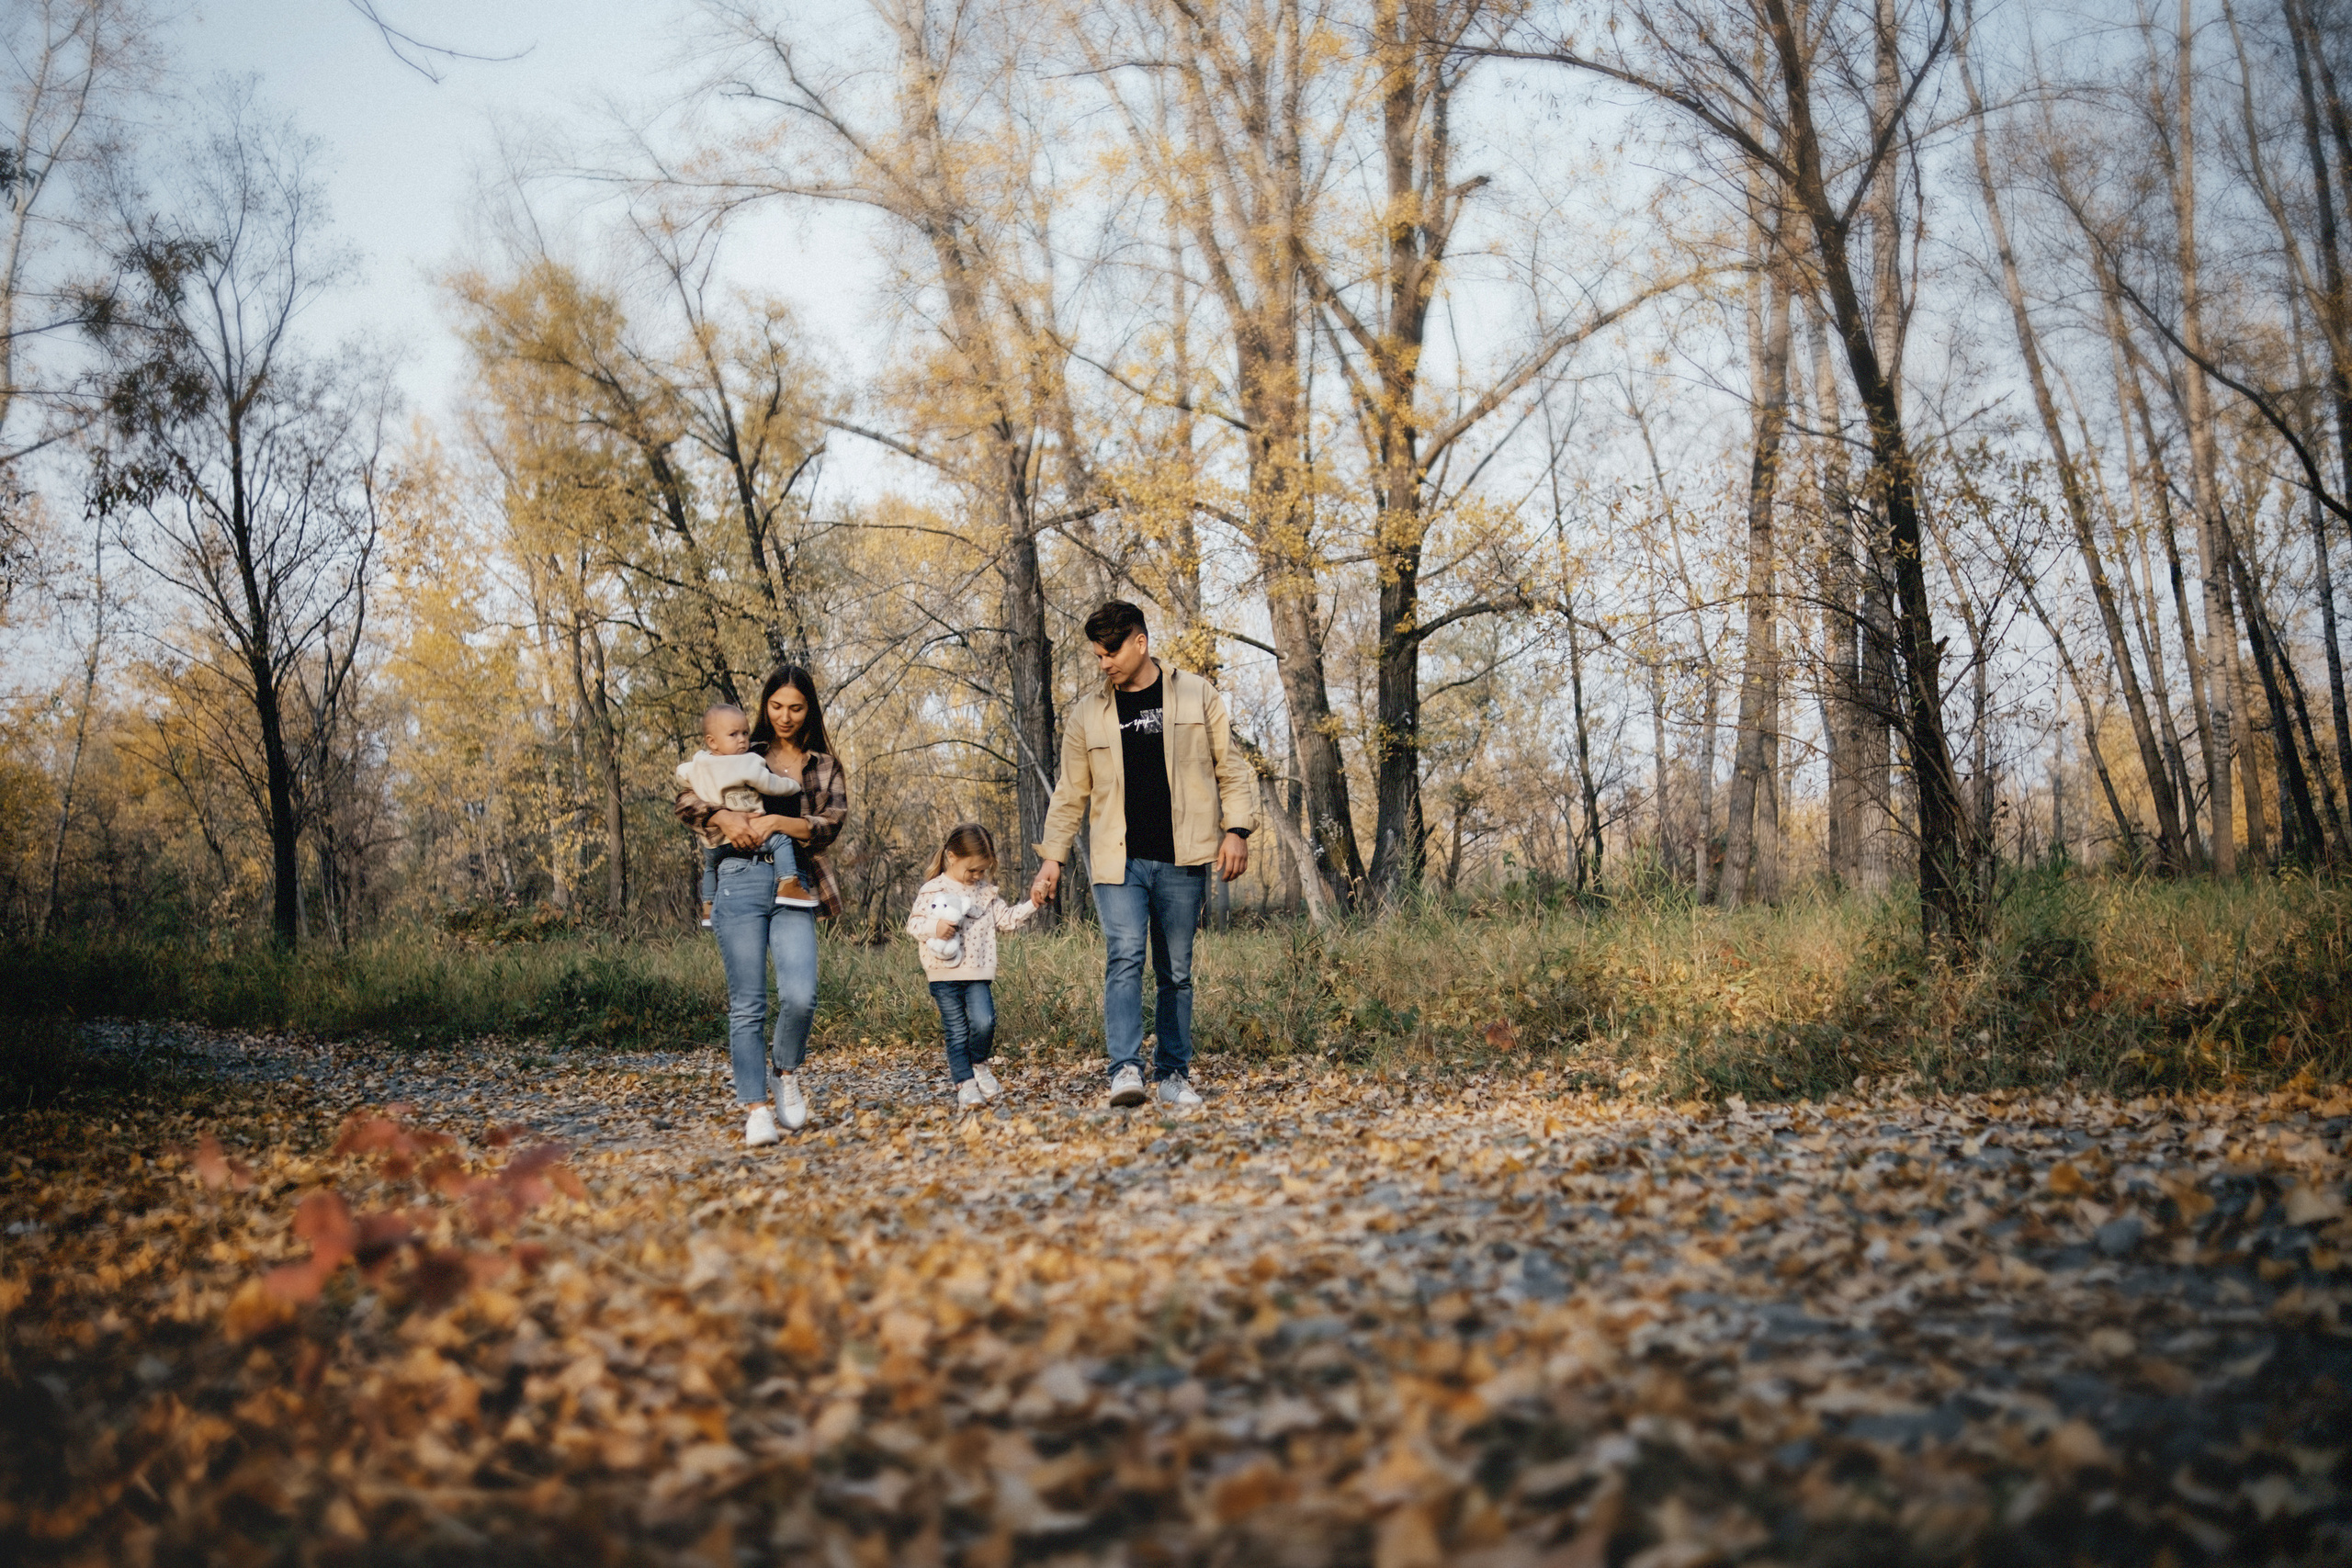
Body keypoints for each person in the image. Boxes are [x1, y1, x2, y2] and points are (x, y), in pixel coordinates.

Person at [1030, 601, 1259, 1109]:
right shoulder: (1087, 714)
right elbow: (1070, 793)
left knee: (1176, 971)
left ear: (1141, 642)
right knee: (1125, 956)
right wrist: (1052, 858)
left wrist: (1237, 830)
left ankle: (1173, 1075)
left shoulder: (1197, 694)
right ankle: (1125, 1070)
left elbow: (1232, 768)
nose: (1104, 663)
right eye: (1097, 655)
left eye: (1111, 652)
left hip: (1184, 857)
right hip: (1118, 861)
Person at [673, 667, 848, 1146]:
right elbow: (685, 800)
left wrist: (777, 822)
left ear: (809, 709)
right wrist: (721, 815)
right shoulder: (741, 749)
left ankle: (785, 1071)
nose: (785, 716)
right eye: (776, 706)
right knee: (747, 1003)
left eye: (796, 707)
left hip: (794, 882)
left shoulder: (824, 765)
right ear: (765, 705)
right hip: (737, 880)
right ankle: (755, 1108)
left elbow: (830, 825)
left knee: (801, 995)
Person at [906, 823, 1038, 1109]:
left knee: (984, 1022)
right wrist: (935, 927)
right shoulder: (933, 889)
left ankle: (979, 1064)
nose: (978, 876)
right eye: (973, 870)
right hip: (942, 973)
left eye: (983, 871)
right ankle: (965, 1084)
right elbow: (913, 925)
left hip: (978, 971)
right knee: (956, 1029)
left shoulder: (985, 892)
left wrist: (1033, 904)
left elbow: (1007, 920)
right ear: (952, 857)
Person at [677, 702, 817, 929]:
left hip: (714, 843)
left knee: (710, 867)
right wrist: (792, 786)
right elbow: (769, 784)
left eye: (745, 733)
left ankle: (708, 906)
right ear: (712, 741)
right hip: (748, 836)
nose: (742, 740)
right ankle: (788, 883)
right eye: (734, 735)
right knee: (781, 840)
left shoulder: (698, 764)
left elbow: (682, 778)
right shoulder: (747, 761)